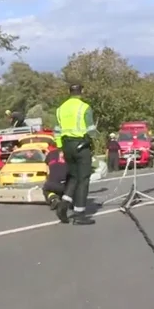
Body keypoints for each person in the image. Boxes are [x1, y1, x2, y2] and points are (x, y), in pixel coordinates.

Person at [54, 83, 97, 225]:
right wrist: (95, 135)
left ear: (69, 92)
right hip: (81, 145)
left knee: (73, 177)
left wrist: (60, 147)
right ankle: (79, 214)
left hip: (66, 146)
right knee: (83, 179)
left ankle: (63, 205)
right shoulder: (84, 107)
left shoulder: (60, 109)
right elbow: (91, 130)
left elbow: (57, 131)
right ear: (81, 91)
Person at [42, 139, 67, 210]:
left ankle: (53, 199)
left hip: (52, 183)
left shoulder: (50, 154)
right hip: (65, 184)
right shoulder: (68, 154)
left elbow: (47, 170)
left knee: (46, 189)